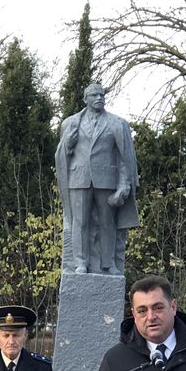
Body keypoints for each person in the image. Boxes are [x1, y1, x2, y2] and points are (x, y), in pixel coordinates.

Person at [55, 82, 139, 274]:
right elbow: (62, 155)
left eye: (101, 95)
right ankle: (80, 263)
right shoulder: (70, 123)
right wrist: (68, 144)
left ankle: (107, 264)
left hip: (107, 179)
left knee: (107, 222)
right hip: (78, 179)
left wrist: (123, 184)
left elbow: (124, 157)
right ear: (85, 99)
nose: (99, 98)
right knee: (80, 222)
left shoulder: (117, 123)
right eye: (94, 95)